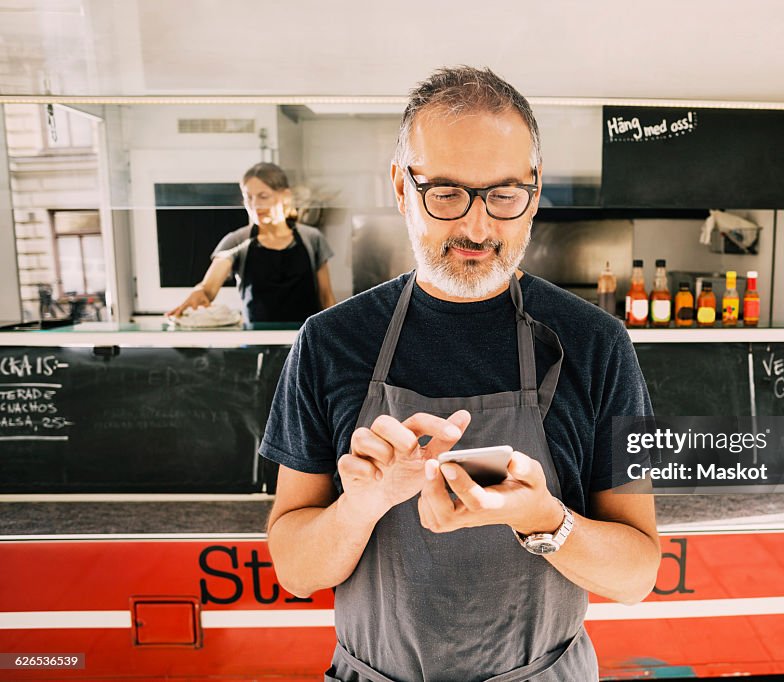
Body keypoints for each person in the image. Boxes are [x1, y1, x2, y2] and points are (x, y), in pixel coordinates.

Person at [260, 67, 659, 682]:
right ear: (400, 185)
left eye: (504, 194)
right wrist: (361, 506)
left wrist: (545, 521)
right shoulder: (329, 343)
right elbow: (295, 569)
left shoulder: (595, 344)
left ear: (535, 188)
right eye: (445, 193)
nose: (477, 227)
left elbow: (636, 576)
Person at [167, 162, 336, 324]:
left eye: (263, 196)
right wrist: (199, 293)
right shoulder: (237, 241)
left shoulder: (312, 238)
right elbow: (208, 287)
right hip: (257, 344)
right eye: (248, 198)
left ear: (285, 196)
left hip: (305, 343)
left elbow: (326, 297)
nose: (255, 205)